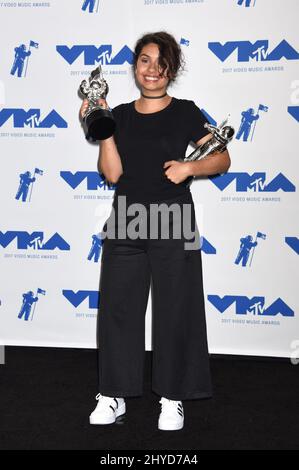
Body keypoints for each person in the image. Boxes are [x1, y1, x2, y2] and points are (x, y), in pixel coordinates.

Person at [80, 31, 231, 431]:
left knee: (176, 310)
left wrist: (190, 168)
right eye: (145, 60)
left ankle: (172, 396)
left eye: (162, 63)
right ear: (135, 66)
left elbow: (222, 158)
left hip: (173, 220)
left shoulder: (185, 111)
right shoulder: (122, 115)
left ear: (172, 70)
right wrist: (103, 126)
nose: (153, 70)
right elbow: (112, 173)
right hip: (127, 218)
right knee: (118, 309)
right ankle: (113, 394)